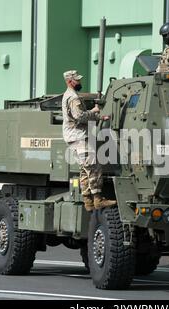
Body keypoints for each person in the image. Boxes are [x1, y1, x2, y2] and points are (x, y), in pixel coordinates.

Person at [62, 70, 117, 211]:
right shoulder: (73, 97)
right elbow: (79, 116)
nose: (80, 82)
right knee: (94, 167)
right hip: (79, 136)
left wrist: (93, 111)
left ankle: (88, 201)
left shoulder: (69, 95)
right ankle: (98, 200)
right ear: (69, 81)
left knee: (84, 169)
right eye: (77, 80)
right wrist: (97, 116)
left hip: (74, 137)